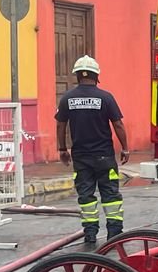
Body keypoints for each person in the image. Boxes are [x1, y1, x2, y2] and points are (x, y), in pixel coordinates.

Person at [55, 55, 130, 248]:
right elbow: (118, 124)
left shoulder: (67, 98)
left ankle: (90, 234)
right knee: (110, 194)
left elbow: (61, 126)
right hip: (105, 156)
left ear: (77, 75)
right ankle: (114, 233)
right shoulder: (106, 97)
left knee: (86, 196)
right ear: (97, 76)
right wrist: (125, 148)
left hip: (81, 158)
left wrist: (62, 148)